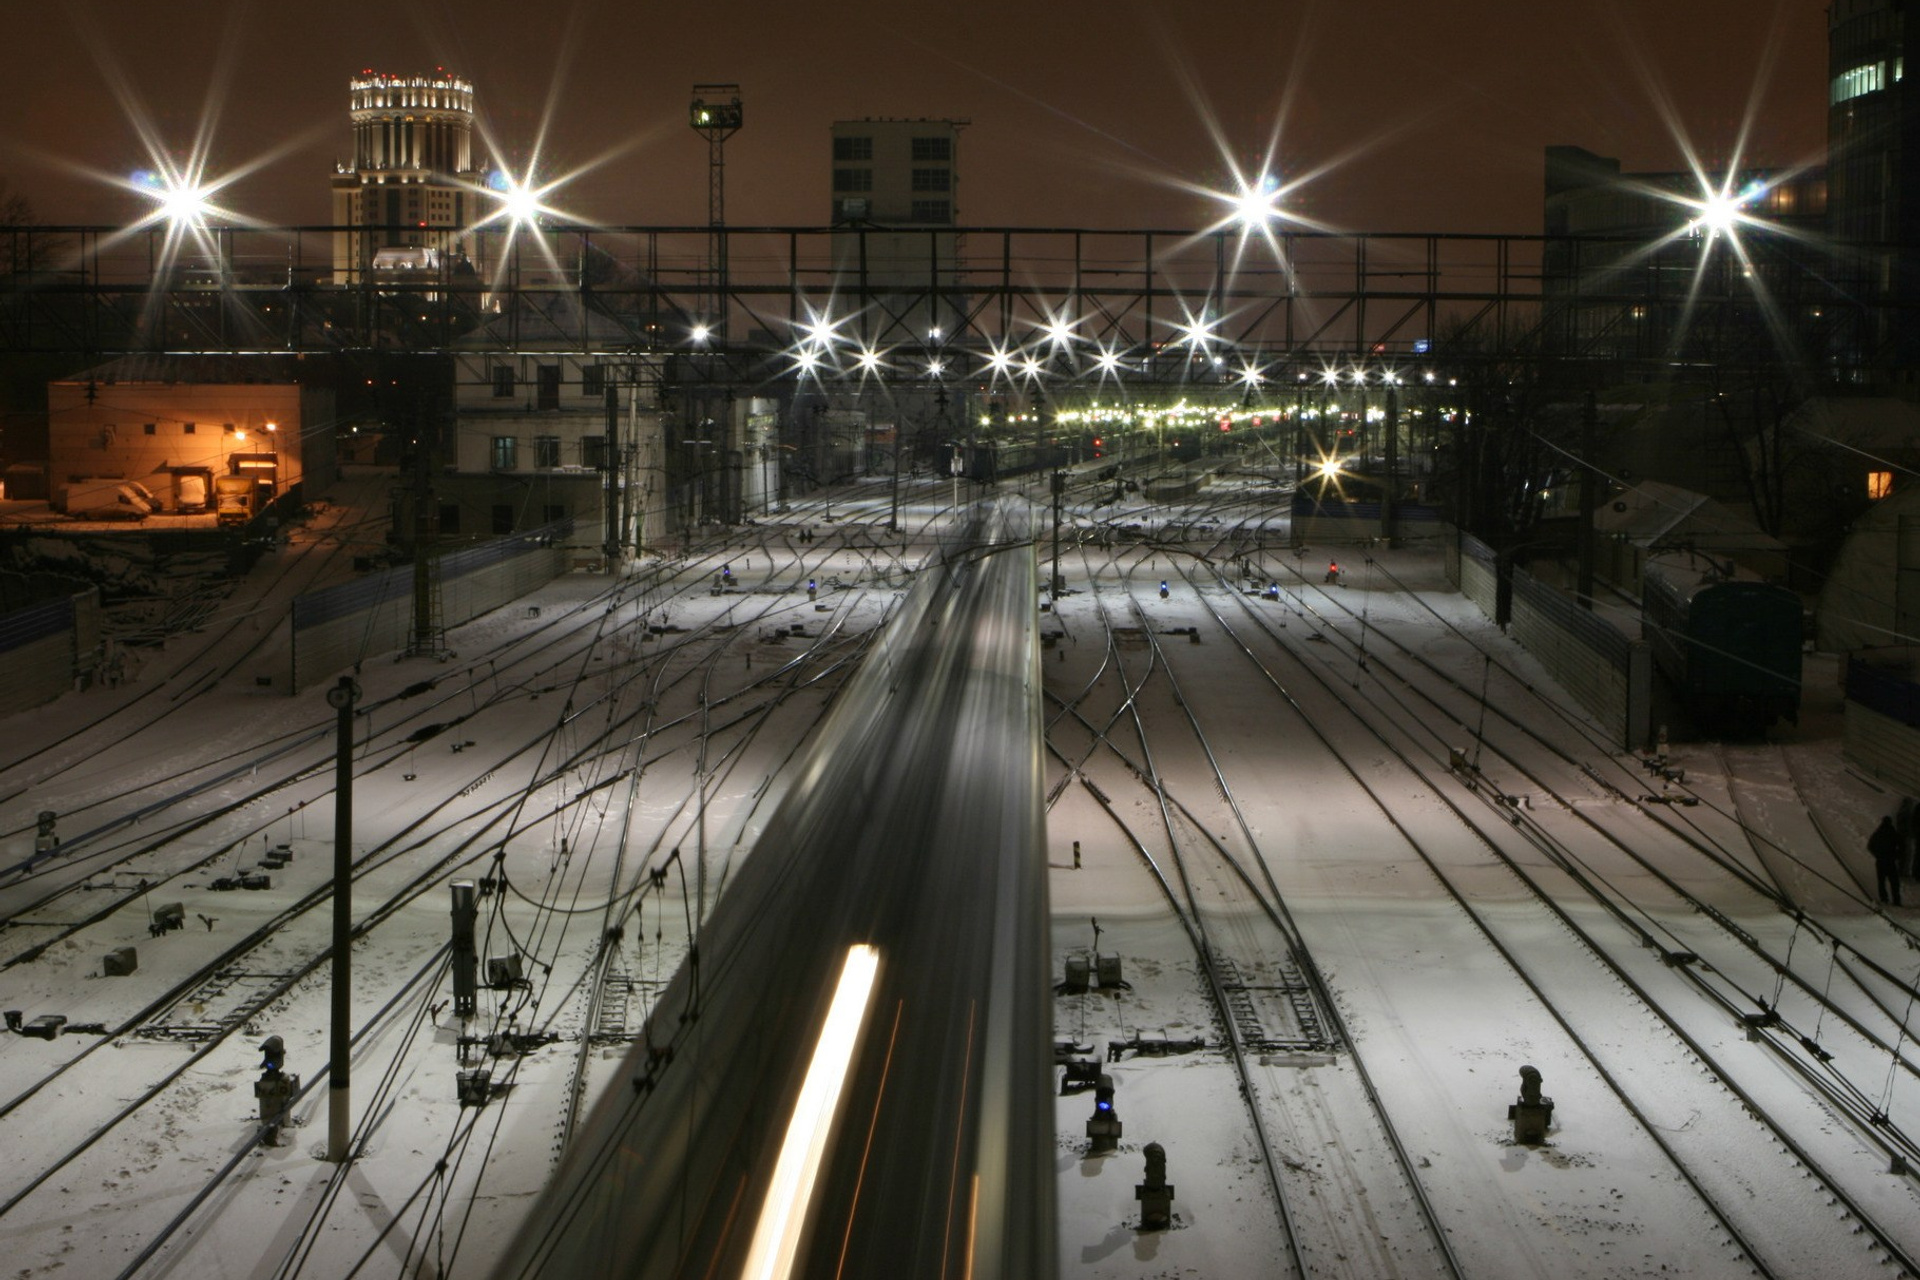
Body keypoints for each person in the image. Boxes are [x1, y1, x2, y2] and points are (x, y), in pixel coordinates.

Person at [1870, 815, 1903, 906]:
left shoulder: (1878, 833)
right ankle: (1896, 900)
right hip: (1890, 861)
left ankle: (1884, 899)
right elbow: (1901, 845)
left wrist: (1877, 854)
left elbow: (1870, 846)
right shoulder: (1893, 833)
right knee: (1894, 882)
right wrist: (1897, 855)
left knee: (1881, 881)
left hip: (1880, 861)